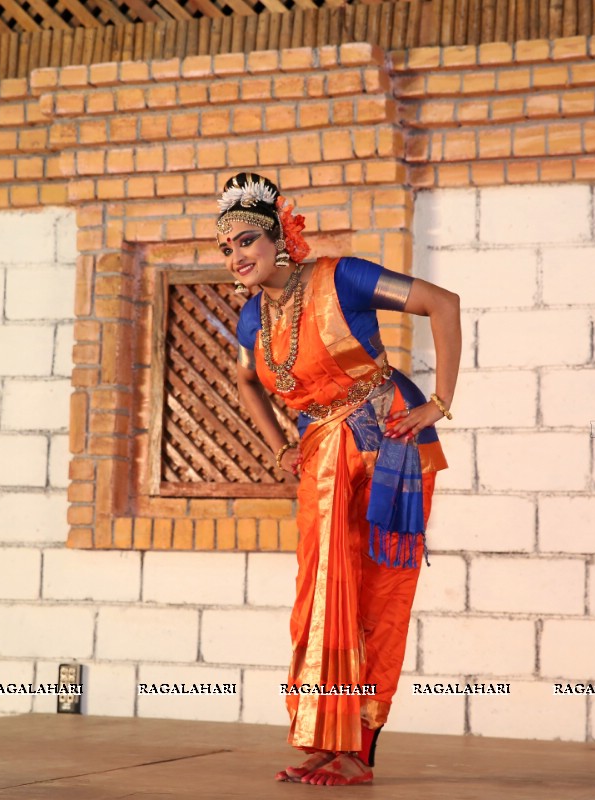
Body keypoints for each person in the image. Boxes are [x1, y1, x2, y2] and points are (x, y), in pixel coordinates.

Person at [218, 172, 462, 786]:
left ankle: (360, 749)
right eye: (226, 248)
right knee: (320, 595)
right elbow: (246, 379)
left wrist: (440, 401)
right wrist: (280, 448)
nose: (236, 256)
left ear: (279, 239)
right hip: (323, 452)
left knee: (377, 594)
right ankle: (325, 738)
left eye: (247, 240)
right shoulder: (254, 319)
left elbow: (443, 303)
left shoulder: (341, 277)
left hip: (390, 449)